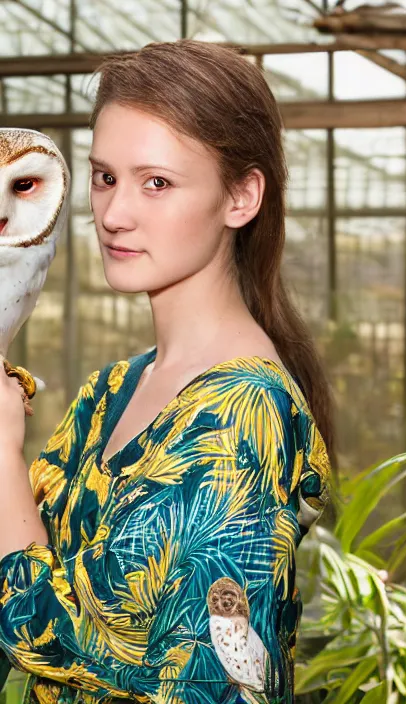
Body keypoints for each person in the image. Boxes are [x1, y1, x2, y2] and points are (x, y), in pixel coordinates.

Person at [0, 40, 335, 704]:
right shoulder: (110, 391)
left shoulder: (244, 416)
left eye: (157, 182)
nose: (113, 215)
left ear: (242, 197)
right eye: (104, 177)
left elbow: (49, 629)